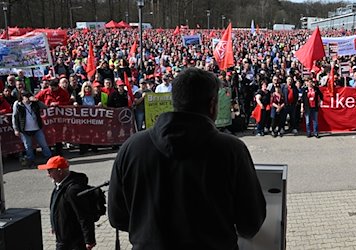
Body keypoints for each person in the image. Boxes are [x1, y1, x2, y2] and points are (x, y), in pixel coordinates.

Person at [108, 68, 266, 249]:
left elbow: (117, 217)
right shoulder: (232, 150)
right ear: (213, 104)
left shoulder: (131, 148)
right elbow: (251, 222)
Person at [37, 156, 96, 250]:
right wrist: (54, 225)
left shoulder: (73, 190)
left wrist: (89, 240)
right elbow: (56, 207)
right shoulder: (59, 185)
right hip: (63, 237)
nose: (48, 175)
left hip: (73, 241)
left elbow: (84, 215)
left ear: (60, 171)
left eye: (50, 171)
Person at [12, 90, 52, 167]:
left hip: (37, 128)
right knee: (28, 146)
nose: (27, 98)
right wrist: (16, 129)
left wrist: (37, 101)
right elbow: (14, 117)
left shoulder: (34, 103)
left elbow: (45, 107)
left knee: (43, 144)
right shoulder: (18, 104)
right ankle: (31, 161)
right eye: (25, 96)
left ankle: (49, 158)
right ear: (22, 97)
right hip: (24, 129)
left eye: (28, 96)